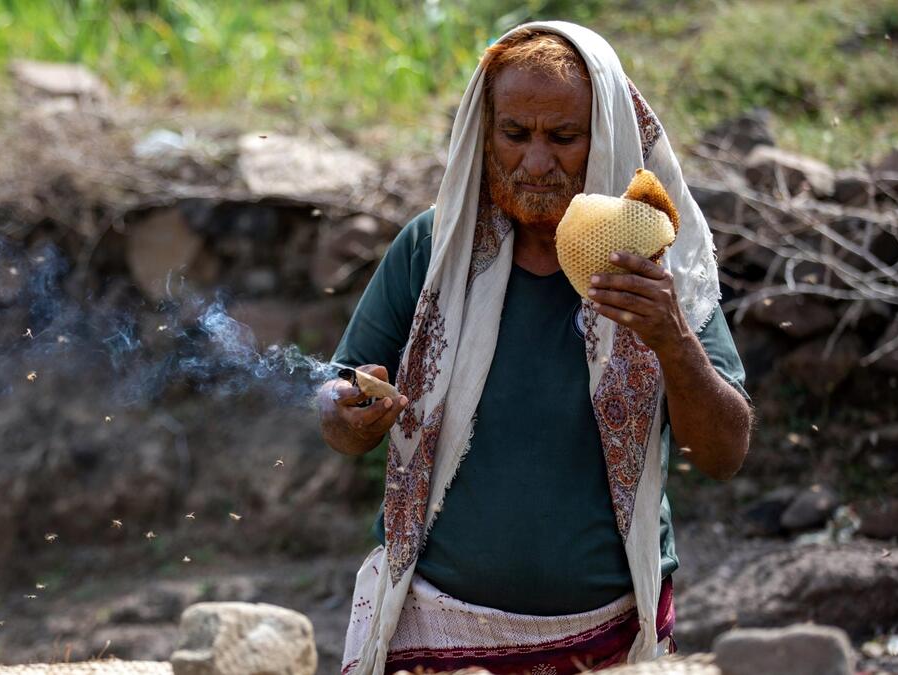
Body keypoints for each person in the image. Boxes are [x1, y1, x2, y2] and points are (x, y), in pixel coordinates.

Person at [314, 21, 753, 675]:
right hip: (436, 633)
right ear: (485, 135)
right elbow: (337, 401)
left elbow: (723, 453)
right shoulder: (433, 252)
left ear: (601, 135)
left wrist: (671, 337)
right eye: (515, 135)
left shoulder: (654, 264)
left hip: (606, 639)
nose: (538, 162)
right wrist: (344, 409)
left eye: (564, 137)